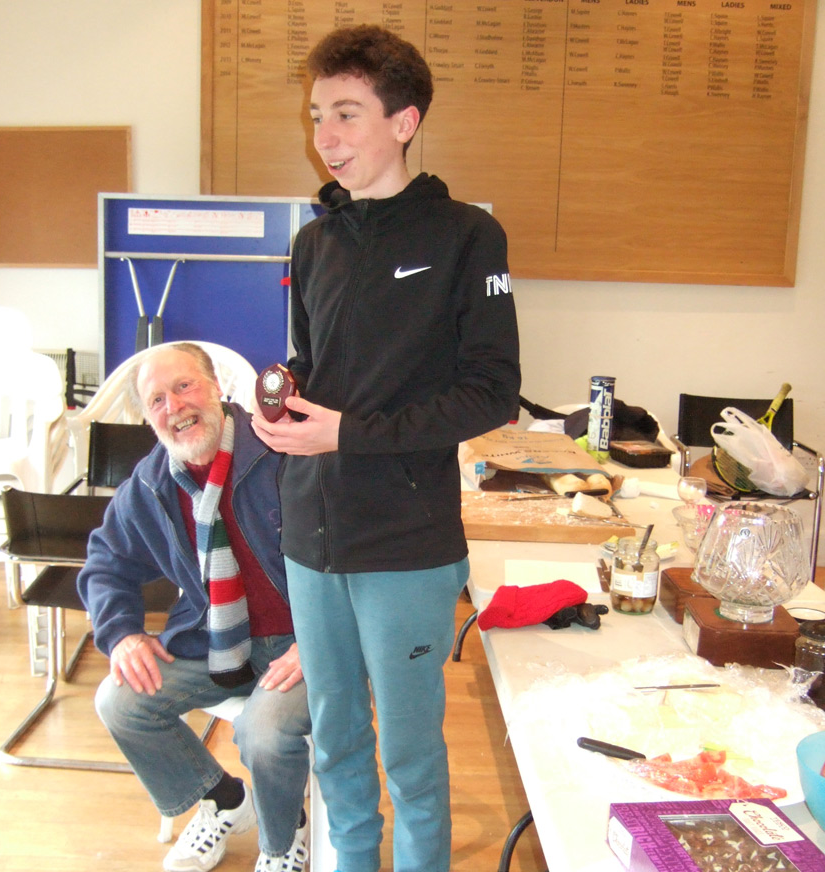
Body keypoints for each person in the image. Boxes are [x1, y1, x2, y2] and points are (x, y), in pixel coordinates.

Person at [250, 24, 521, 872]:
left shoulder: (466, 237)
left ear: (403, 122)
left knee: (409, 760)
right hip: (314, 534)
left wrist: (349, 432)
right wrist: (288, 393)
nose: (325, 137)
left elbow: (492, 392)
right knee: (334, 747)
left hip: (405, 541)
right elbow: (320, 362)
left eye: (346, 114)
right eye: (317, 115)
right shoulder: (314, 240)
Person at [78, 342, 311, 872]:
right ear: (147, 418)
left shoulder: (279, 449)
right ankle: (225, 801)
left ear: (216, 387)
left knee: (264, 733)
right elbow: (106, 560)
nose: (175, 407)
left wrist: (319, 639)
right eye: (157, 400)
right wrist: (122, 634)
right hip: (216, 641)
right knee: (120, 701)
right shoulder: (154, 482)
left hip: (304, 643)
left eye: (184, 386)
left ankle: (283, 841)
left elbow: (350, 553)